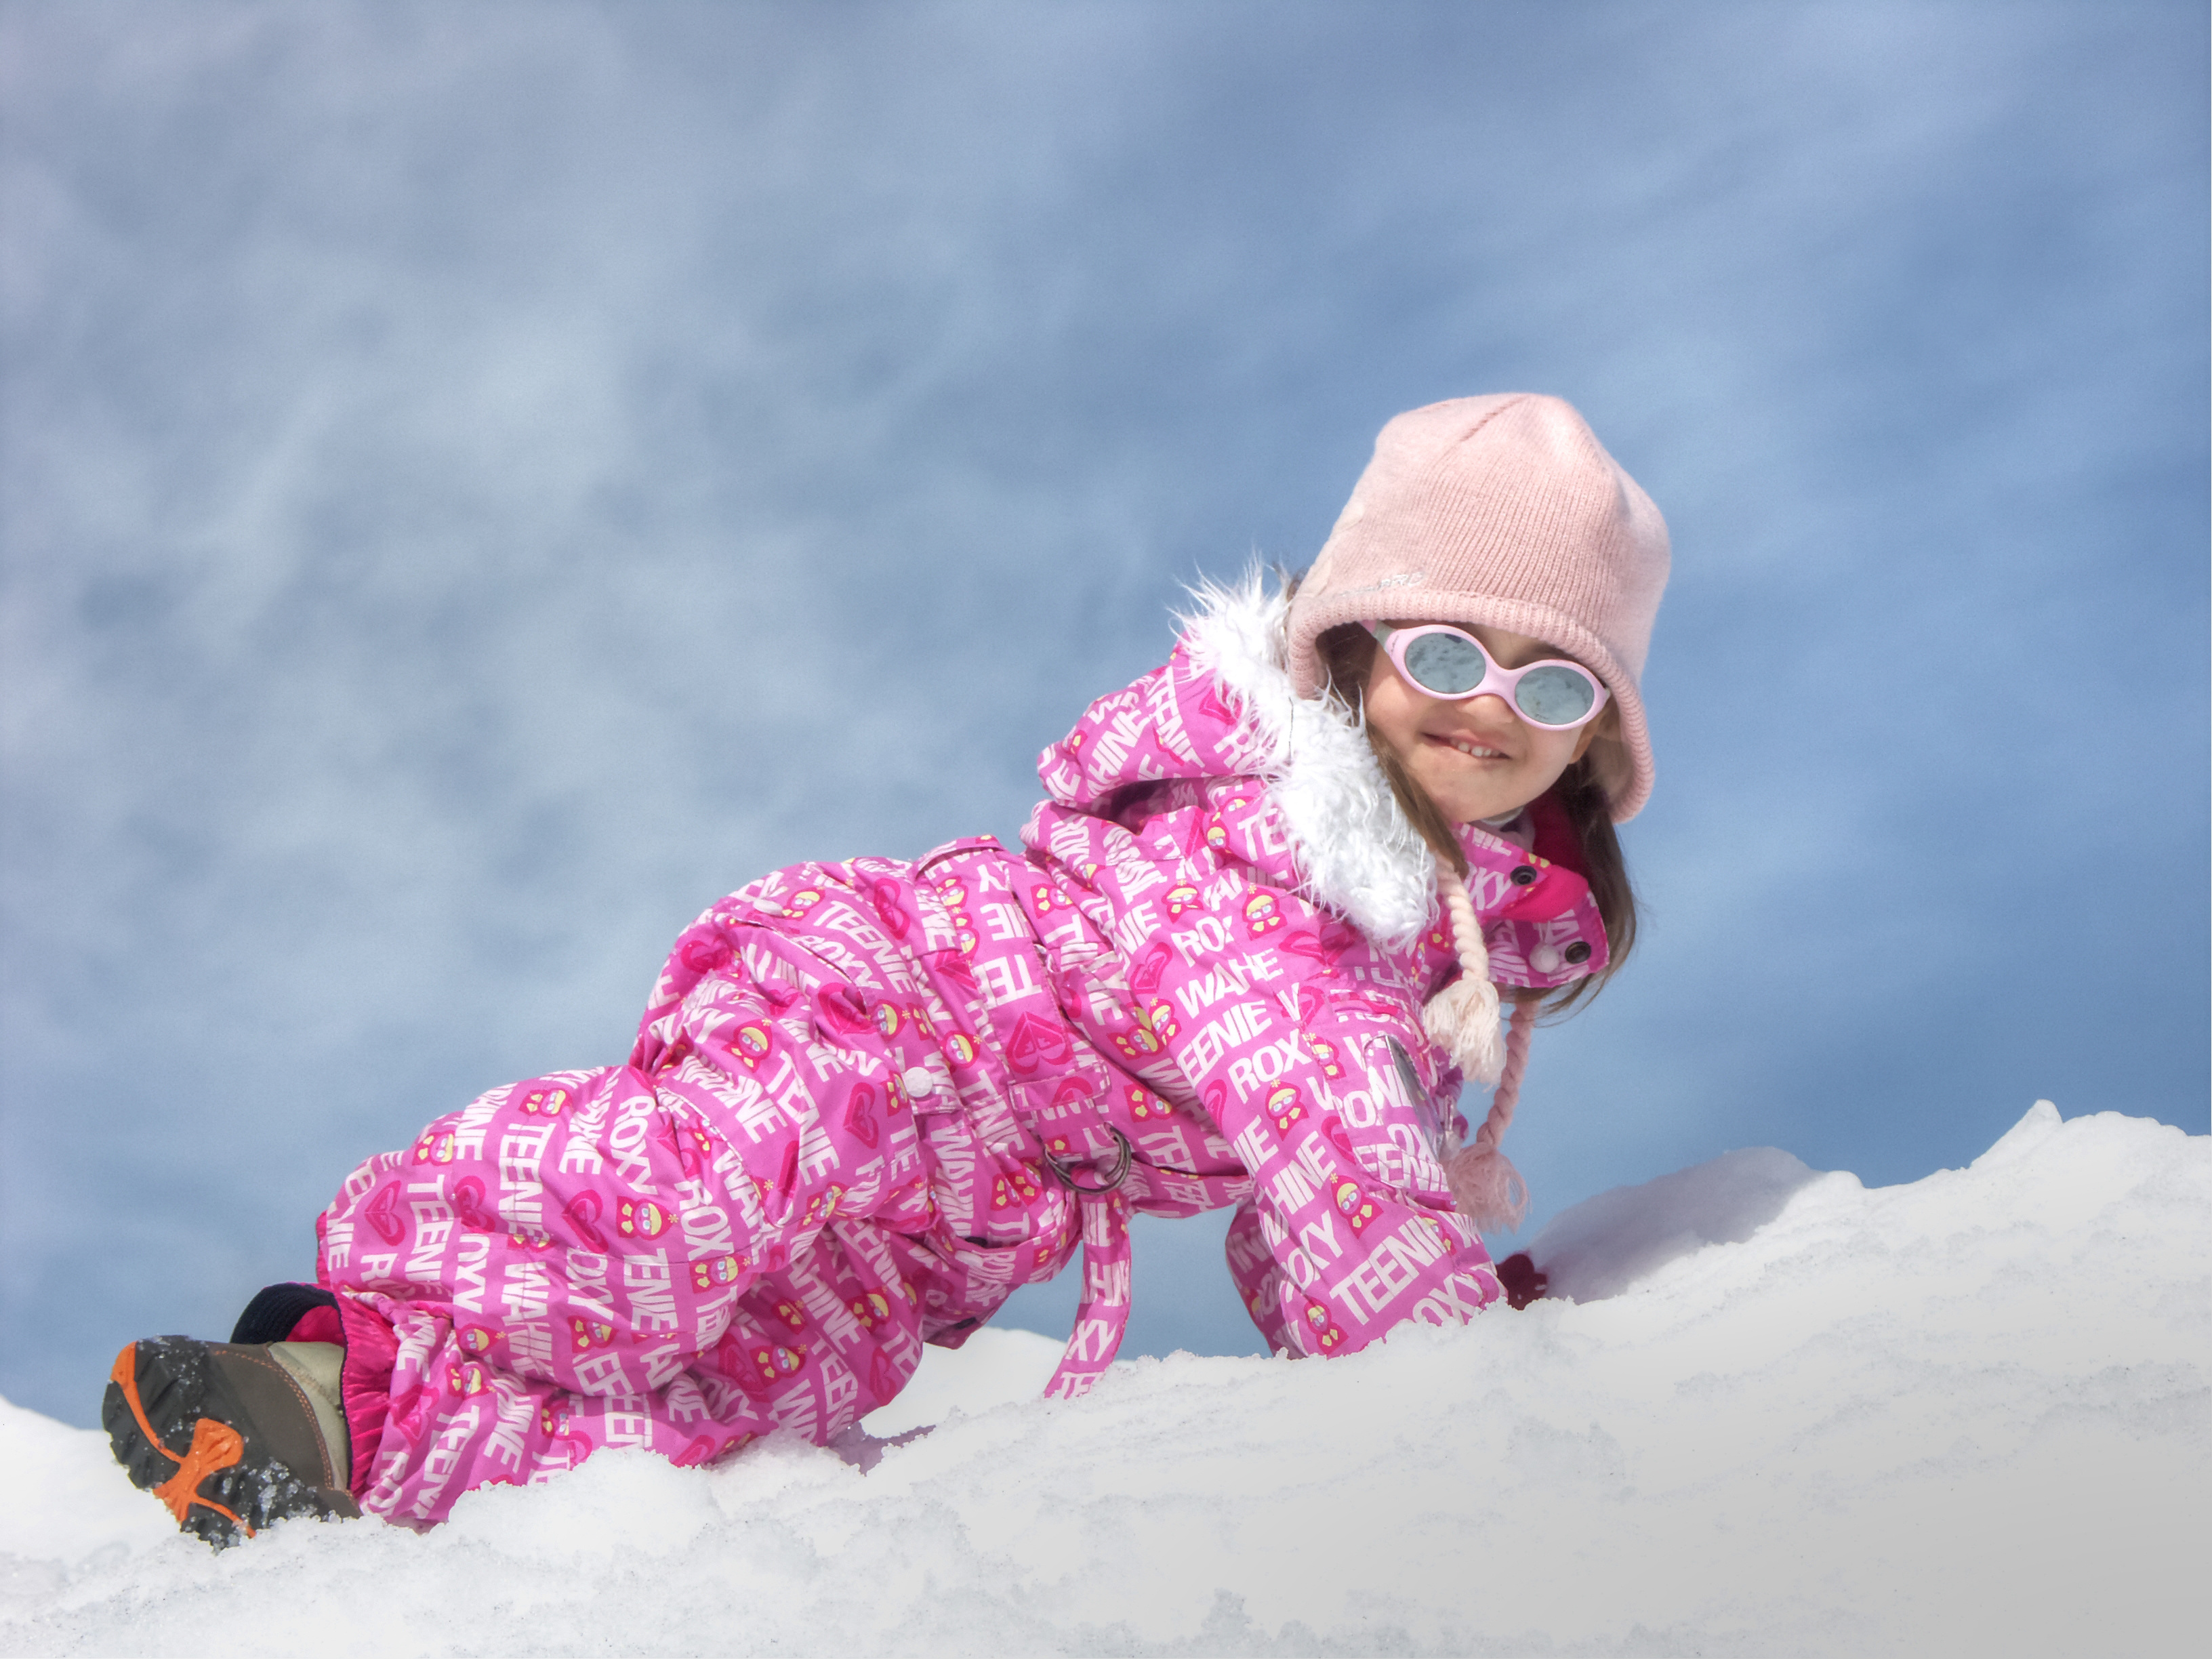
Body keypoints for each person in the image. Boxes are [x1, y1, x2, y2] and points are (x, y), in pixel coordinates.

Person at [104, 392, 1670, 1544]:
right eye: (1445, 654)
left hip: (972, 1205)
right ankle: (384, 1295)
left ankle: (339, 1430)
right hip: (887, 1013)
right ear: (1346, 650)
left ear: (1596, 734)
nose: (1487, 710)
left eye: (1549, 680)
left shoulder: (1407, 954)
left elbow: (1301, 1223)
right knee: (687, 1204)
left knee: (731, 1431)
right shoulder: (1269, 849)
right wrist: (1464, 1391)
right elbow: (1334, 1157)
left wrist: (1435, 1313)